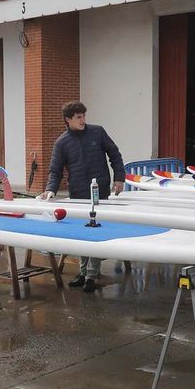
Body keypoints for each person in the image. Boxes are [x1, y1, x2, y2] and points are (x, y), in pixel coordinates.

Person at [39, 101, 125, 293]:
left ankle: (91, 275)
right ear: (68, 119)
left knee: (94, 231)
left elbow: (114, 154)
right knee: (82, 234)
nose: (83, 120)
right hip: (78, 192)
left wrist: (119, 178)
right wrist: (50, 189)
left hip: (99, 190)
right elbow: (55, 170)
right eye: (78, 117)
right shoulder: (62, 142)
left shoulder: (97, 132)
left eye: (84, 116)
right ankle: (83, 271)